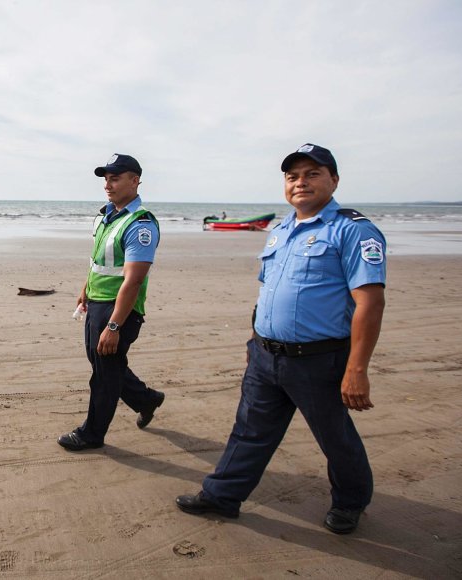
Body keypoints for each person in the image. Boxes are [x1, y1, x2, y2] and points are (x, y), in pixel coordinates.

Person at [175, 143, 387, 535]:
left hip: (319, 360)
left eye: (312, 174)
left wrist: (357, 368)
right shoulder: (280, 231)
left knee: (334, 437)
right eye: (293, 177)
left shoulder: (352, 230)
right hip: (265, 355)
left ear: (334, 180)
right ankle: (222, 495)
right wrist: (256, 342)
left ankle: (350, 502)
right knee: (250, 430)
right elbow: (268, 290)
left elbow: (370, 303)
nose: (300, 182)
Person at [57, 153, 165, 451]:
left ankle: (92, 434)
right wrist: (85, 290)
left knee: (104, 375)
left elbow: (133, 281)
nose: (108, 184)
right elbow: (98, 262)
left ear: (135, 180)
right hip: (97, 302)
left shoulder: (140, 225)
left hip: (120, 309)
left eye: (115, 178)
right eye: (106, 178)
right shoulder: (107, 216)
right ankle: (147, 399)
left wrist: (114, 326)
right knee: (103, 363)